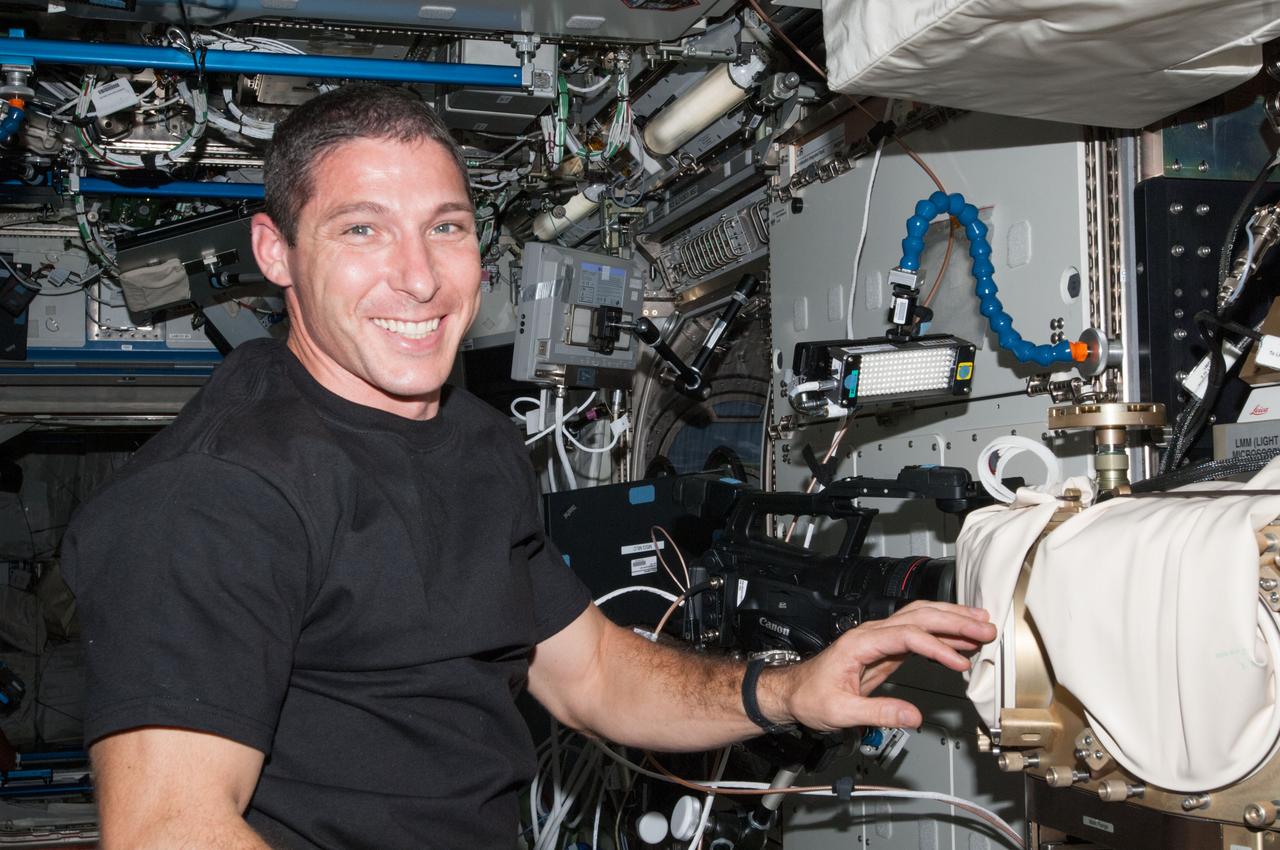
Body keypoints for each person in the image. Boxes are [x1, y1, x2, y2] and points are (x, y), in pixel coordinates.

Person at [62, 83, 996, 850]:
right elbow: (168, 828)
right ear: (277, 253)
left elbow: (587, 673)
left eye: (447, 227)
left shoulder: (471, 441)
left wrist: (786, 690)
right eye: (361, 231)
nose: (419, 278)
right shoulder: (216, 495)